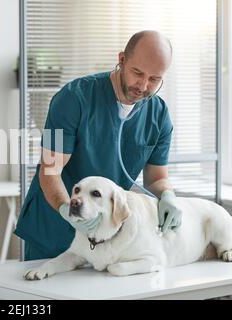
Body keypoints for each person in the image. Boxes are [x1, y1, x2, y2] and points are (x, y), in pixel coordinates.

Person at [14, 30, 183, 261]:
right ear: (122, 60)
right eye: (137, 73)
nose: (143, 86)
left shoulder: (159, 115)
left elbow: (155, 179)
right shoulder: (71, 98)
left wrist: (168, 196)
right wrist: (67, 210)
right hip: (55, 230)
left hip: (106, 238)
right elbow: (50, 170)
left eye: (154, 79)